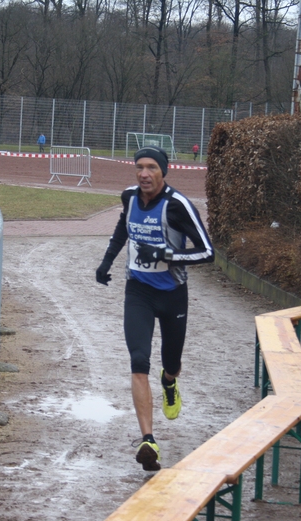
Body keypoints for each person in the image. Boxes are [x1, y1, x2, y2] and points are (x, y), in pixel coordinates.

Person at [95, 146, 214, 471]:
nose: (144, 174)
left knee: (171, 362)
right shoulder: (129, 197)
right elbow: (122, 228)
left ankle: (169, 381)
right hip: (139, 292)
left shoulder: (178, 205)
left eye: (151, 168)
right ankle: (148, 440)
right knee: (138, 362)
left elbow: (207, 252)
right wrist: (106, 262)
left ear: (163, 171)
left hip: (173, 294)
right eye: (139, 167)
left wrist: (165, 254)